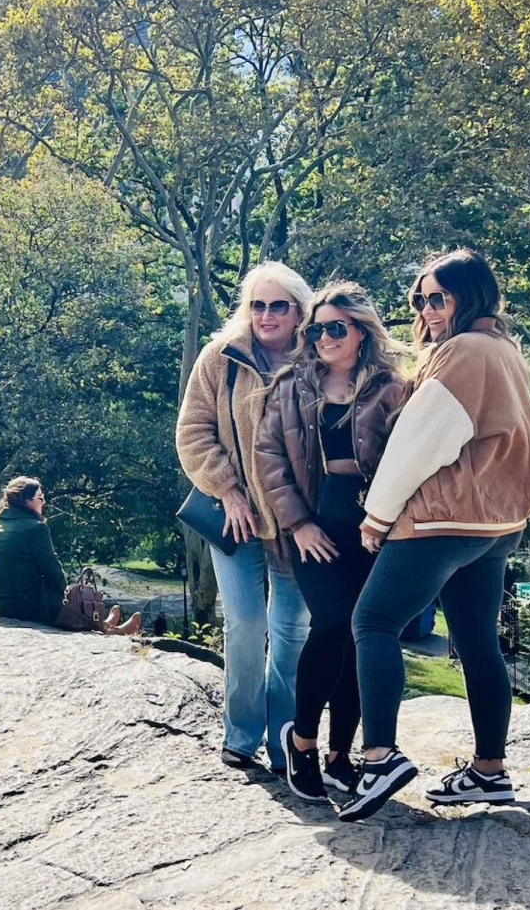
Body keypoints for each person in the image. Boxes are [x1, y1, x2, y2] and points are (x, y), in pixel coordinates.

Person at [339, 249, 530, 823]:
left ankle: (379, 757)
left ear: (469, 297)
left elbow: (420, 442)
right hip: (496, 523)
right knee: (477, 638)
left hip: (443, 519)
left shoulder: (462, 353)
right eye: (421, 299)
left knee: (372, 623)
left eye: (439, 298)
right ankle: (489, 772)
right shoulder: (504, 349)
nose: (428, 311)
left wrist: (377, 516)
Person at [255, 283, 408, 804]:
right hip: (313, 525)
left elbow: (411, 459)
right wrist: (297, 523)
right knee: (334, 623)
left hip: (375, 526)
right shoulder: (290, 385)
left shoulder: (393, 387)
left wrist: (386, 521)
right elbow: (268, 458)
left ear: (362, 332)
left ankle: (342, 756)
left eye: (334, 328)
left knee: (362, 634)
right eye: (315, 329)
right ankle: (301, 741)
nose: (322, 337)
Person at [176, 261, 313, 774]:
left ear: (300, 310)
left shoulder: (317, 357)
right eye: (258, 304)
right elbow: (192, 432)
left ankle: (287, 745)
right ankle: (241, 734)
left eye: (279, 305)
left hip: (295, 525)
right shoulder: (222, 358)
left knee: (292, 631)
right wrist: (228, 491)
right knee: (245, 624)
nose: (267, 315)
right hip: (235, 520)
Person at [0, 476, 142, 634]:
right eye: (40, 497)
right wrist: (64, 595)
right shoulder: (35, 528)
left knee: (63, 598)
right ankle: (109, 629)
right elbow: (53, 572)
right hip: (28, 608)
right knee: (70, 598)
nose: (43, 502)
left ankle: (102, 623)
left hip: (1, 605)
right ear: (26, 501)